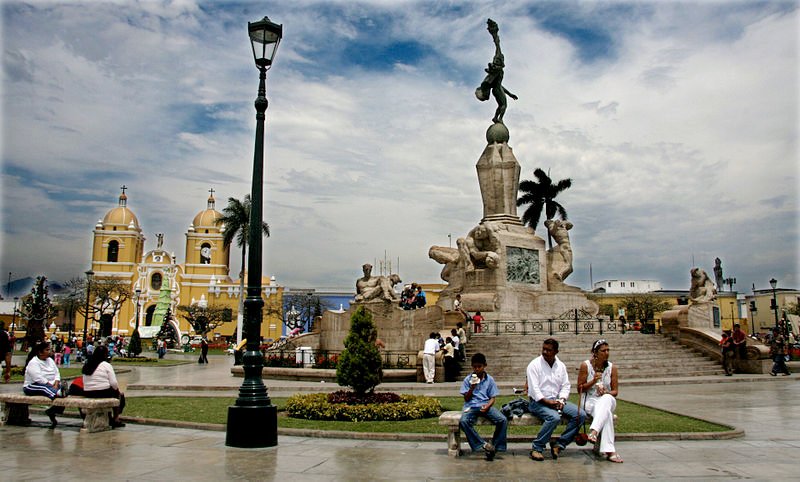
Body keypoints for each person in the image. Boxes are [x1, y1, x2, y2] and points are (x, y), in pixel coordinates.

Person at [526, 338, 585, 461]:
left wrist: (562, 400)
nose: (545, 352)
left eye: (549, 350)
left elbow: (565, 385)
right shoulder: (534, 365)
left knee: (580, 415)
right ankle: (537, 447)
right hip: (538, 402)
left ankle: (559, 444)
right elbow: (534, 389)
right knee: (554, 418)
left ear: (556, 351)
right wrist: (547, 402)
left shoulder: (561, 366)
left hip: (556, 400)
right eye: (544, 349)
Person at [577, 339, 623, 463]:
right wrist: (593, 381)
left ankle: (594, 431)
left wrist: (606, 393)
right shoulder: (585, 366)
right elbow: (579, 388)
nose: (606, 353)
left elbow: (615, 392)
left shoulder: (612, 368)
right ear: (595, 352)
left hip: (606, 399)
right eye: (603, 350)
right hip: (589, 400)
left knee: (607, 399)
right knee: (606, 414)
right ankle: (610, 451)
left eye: (608, 350)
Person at [459, 352, 507, 461]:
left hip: (485, 404)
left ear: (484, 365)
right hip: (471, 406)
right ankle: (483, 444)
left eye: (479, 367)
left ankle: (495, 446)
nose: (477, 369)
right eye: (474, 367)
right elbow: (466, 399)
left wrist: (487, 406)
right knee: (464, 421)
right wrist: (472, 388)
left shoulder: (489, 380)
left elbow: (493, 398)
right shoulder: (468, 380)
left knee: (502, 420)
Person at [82, 344, 126, 428]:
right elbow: (114, 383)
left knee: (113, 391)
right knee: (118, 394)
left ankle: (109, 416)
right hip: (102, 392)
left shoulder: (87, 364)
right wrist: (116, 390)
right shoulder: (106, 365)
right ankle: (116, 418)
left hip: (88, 392)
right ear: (105, 355)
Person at [23, 342, 65, 427]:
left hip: (52, 385)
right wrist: (51, 385)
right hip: (32, 386)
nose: (50, 351)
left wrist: (56, 383)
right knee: (44, 388)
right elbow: (38, 378)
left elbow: (57, 372)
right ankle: (58, 393)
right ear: (40, 352)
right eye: (47, 350)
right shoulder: (33, 362)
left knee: (61, 391)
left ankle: (52, 410)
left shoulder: (50, 360)